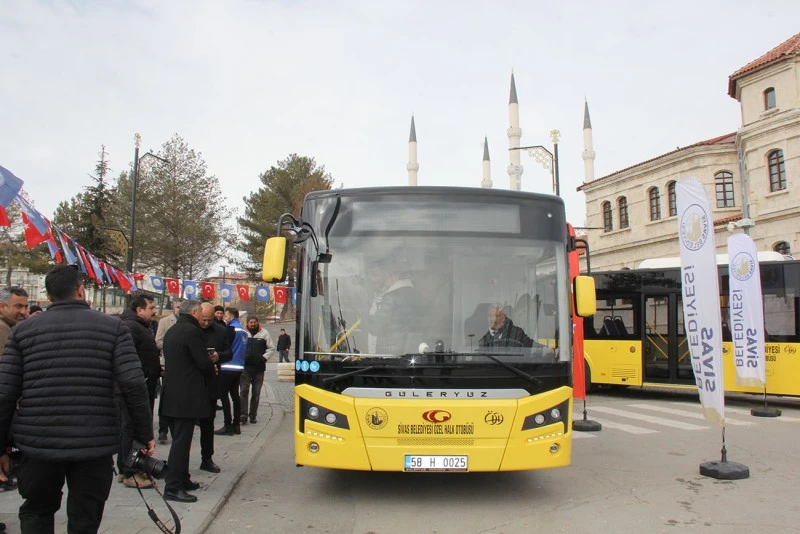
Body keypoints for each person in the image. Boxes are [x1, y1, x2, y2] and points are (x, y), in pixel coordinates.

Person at [0, 265, 154, 532]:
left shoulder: (22, 332)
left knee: (37, 511)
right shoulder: (113, 328)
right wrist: (144, 433)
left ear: (48, 297)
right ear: (81, 290)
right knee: (86, 517)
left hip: (38, 443)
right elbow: (133, 384)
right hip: (94, 443)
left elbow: (5, 392)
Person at [160, 299, 216, 503]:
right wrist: (212, 368)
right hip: (186, 396)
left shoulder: (173, 330)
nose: (202, 315)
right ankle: (173, 487)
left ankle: (183, 479)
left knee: (180, 440)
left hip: (172, 393)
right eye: (201, 311)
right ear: (194, 312)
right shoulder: (192, 332)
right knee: (181, 444)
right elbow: (202, 362)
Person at [118, 294, 161, 489]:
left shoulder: (140, 326)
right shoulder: (130, 327)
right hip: (135, 387)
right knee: (132, 429)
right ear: (139, 310)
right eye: (151, 308)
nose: (154, 312)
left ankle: (126, 467)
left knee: (131, 428)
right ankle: (130, 472)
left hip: (144, 384)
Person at [196, 302, 230, 474]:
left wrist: (219, 356)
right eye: (203, 319)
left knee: (208, 423)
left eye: (209, 320)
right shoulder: (192, 331)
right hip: (192, 384)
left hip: (211, 382)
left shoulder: (221, 331)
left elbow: (229, 352)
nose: (206, 323)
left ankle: (207, 458)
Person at [367, 260, 420, 354]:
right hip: (408, 348)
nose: (386, 280)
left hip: (389, 350)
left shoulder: (391, 297)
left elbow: (375, 328)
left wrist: (369, 318)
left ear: (395, 276)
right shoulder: (415, 294)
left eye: (387, 276)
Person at [155, 298, 183, 444]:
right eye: (177, 307)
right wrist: (171, 344)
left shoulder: (189, 323)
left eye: (181, 307)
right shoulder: (165, 322)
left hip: (183, 368)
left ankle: (176, 428)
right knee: (165, 398)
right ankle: (163, 429)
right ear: (173, 307)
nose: (179, 309)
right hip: (169, 365)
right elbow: (158, 341)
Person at [215, 307, 247, 436]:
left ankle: (228, 425)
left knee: (223, 395)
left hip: (228, 366)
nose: (224, 317)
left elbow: (226, 346)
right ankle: (236, 425)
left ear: (231, 316)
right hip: (239, 366)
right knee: (235, 396)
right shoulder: (243, 330)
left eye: (226, 315)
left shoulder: (231, 328)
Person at [240, 317, 272, 425]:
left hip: (259, 369)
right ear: (247, 323)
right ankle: (243, 414)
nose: (252, 324)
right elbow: (238, 347)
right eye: (250, 322)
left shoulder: (265, 333)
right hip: (245, 368)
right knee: (244, 391)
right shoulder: (243, 333)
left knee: (256, 393)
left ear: (257, 322)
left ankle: (253, 415)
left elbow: (271, 348)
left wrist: (264, 358)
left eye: (254, 322)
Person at [0, 287, 29, 351]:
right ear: (2, 307)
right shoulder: (2, 328)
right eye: (18, 306)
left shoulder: (11, 326)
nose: (23, 312)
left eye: (26, 307)